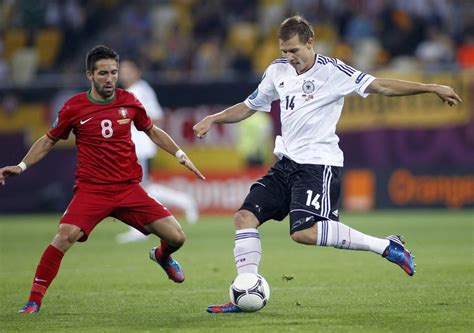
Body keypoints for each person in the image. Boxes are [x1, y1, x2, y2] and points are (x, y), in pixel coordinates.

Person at [193, 15, 462, 314]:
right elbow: (249, 105)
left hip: (317, 165)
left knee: (304, 233)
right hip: (286, 164)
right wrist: (214, 118)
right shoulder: (276, 71)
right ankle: (244, 290)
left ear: (310, 42)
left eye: (294, 50)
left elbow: (381, 86)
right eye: (284, 51)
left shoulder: (333, 71)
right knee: (244, 217)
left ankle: (387, 247)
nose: (289, 57)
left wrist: (430, 86)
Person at [0, 45, 205, 314]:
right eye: (103, 73)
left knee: (177, 237)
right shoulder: (74, 107)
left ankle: (161, 255)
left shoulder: (129, 100)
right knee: (64, 236)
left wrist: (179, 153)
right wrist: (22, 165)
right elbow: (49, 140)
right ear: (90, 75)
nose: (110, 78)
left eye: (114, 72)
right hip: (92, 191)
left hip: (129, 189)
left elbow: (152, 131)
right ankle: (33, 301)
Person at [116, 59, 200, 244]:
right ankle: (184, 201)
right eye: (122, 70)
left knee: (135, 188)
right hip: (133, 148)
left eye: (128, 70)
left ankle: (138, 228)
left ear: (137, 71)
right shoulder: (135, 91)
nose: (123, 74)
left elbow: (156, 117)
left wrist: (139, 127)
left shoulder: (140, 91)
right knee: (142, 188)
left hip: (139, 148)